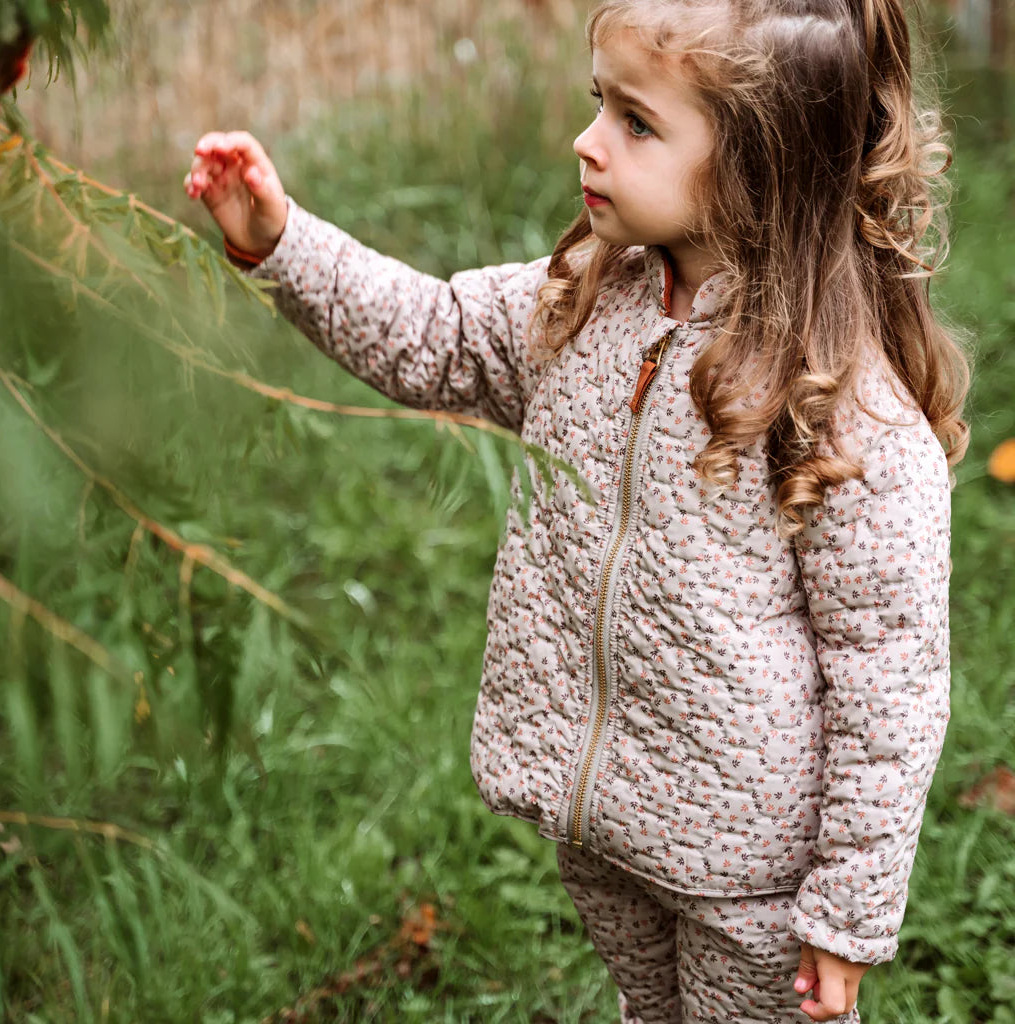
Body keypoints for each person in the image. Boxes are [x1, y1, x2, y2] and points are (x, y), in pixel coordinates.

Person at [184, 0, 969, 1019]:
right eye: (600, 102)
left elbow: (890, 680)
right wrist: (283, 243)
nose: (587, 141)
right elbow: (436, 333)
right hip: (603, 830)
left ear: (759, 159)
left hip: (752, 881)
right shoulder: (588, 300)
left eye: (636, 122)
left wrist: (847, 908)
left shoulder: (840, 405)